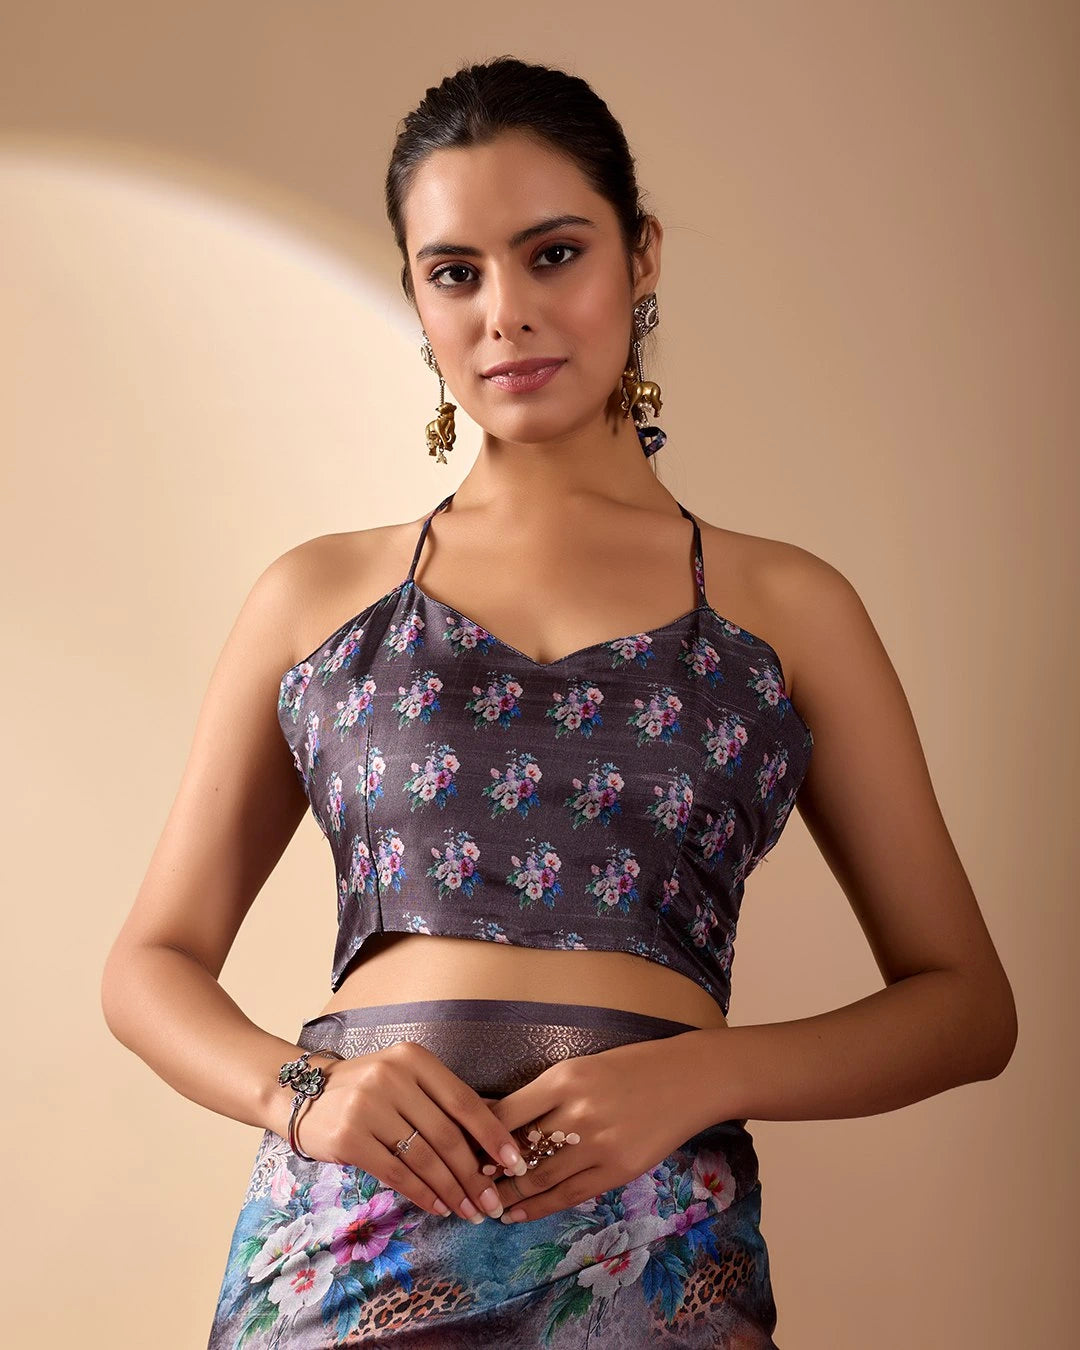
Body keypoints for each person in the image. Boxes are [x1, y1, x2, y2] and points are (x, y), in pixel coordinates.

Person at [101, 54, 1017, 1348]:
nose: (504, 315)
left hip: (655, 1246)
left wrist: (708, 1071)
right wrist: (305, 1092)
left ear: (640, 257)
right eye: (454, 273)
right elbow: (148, 965)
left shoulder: (784, 609)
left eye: (553, 254)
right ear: (416, 295)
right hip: (352, 1237)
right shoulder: (317, 598)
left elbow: (967, 1004)